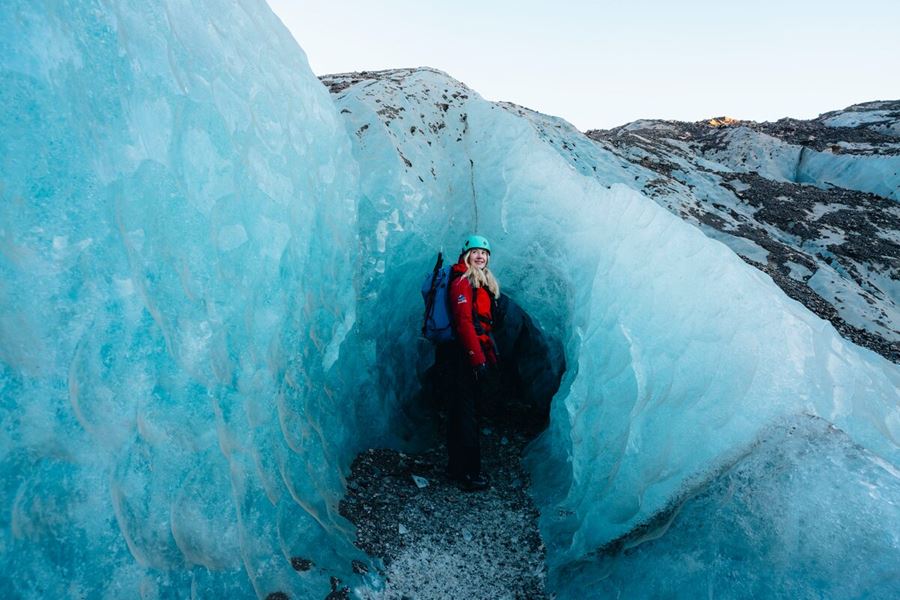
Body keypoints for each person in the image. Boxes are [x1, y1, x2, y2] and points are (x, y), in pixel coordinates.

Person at [440, 234, 501, 491]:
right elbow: (464, 323)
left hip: (469, 353)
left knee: (460, 411)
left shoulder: (481, 282)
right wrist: (477, 361)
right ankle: (471, 473)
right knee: (467, 413)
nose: (480, 256)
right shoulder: (463, 281)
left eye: (484, 253)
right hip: (463, 355)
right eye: (475, 251)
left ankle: (456, 468)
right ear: (466, 254)